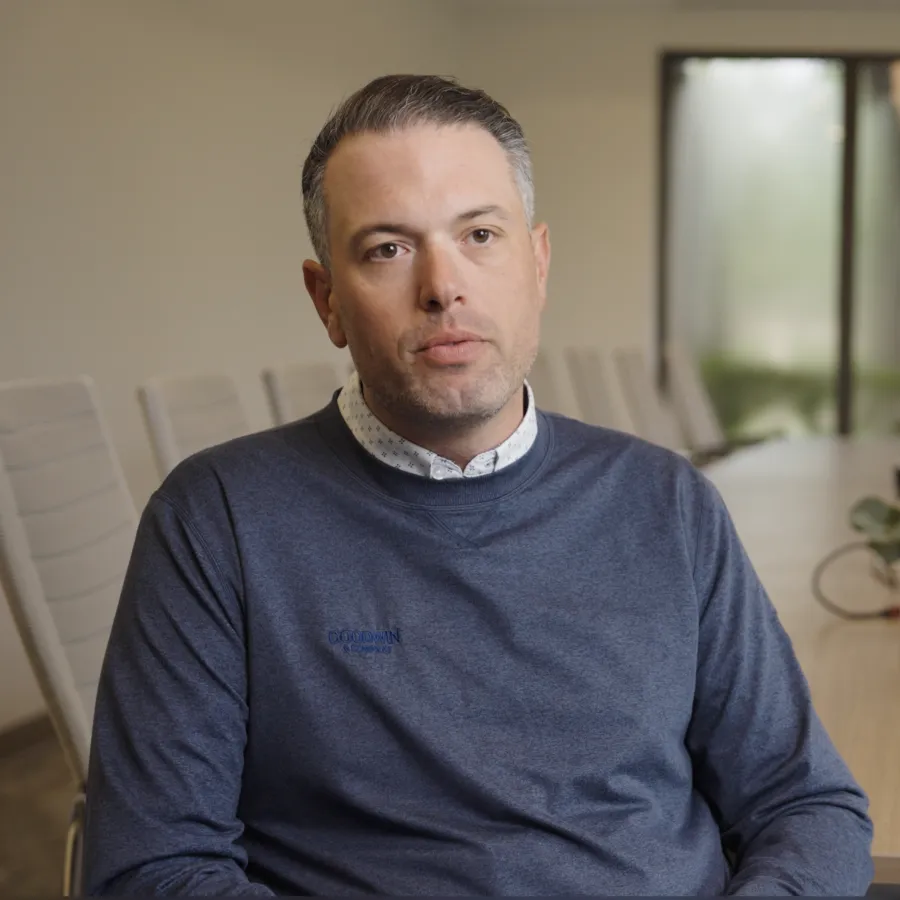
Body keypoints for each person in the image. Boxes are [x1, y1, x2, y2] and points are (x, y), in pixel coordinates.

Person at [84, 74, 873, 896]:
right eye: (387, 248)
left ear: (537, 265)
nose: (442, 286)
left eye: (481, 235)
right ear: (327, 303)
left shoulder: (668, 505)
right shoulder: (217, 521)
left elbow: (805, 803)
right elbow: (152, 870)